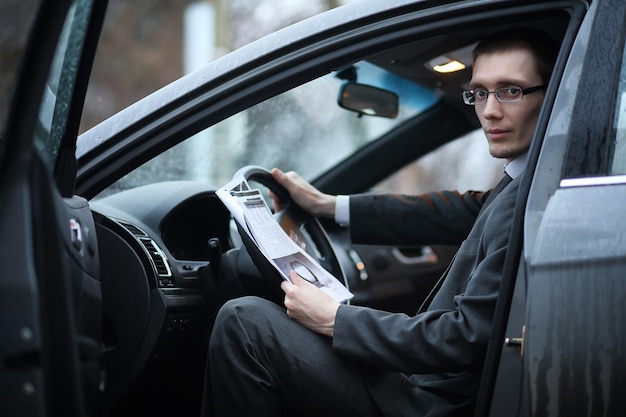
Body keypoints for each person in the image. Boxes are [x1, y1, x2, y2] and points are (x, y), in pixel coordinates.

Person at [204, 28, 559, 417]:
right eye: (479, 92)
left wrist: (335, 319)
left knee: (243, 322)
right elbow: (460, 210)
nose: (490, 110)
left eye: (511, 90)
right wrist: (328, 205)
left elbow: (464, 337)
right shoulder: (524, 182)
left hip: (433, 402)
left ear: (554, 93)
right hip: (431, 384)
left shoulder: (534, 195)